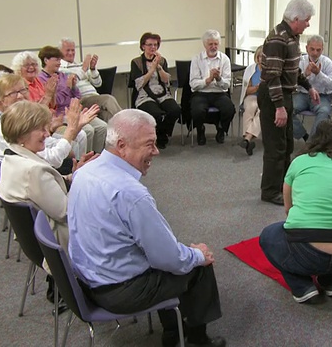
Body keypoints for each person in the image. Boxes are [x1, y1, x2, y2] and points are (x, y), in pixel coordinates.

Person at [68, 109, 225, 347]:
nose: (157, 151)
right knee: (198, 266)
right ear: (121, 145)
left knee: (172, 253)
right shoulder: (131, 194)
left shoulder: (84, 172)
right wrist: (199, 255)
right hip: (118, 292)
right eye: (149, 144)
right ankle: (196, 339)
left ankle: (174, 330)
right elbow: (169, 259)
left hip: (87, 281)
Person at [259, 120, 332, 303]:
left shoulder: (299, 162)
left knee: (268, 236)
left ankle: (302, 287)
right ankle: (331, 282)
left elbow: (289, 209)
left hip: (308, 251)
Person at [0, 100, 95, 251]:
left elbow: (45, 188)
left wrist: (73, 175)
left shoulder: (11, 157)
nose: (47, 134)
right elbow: (66, 211)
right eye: (41, 129)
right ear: (22, 134)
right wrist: (80, 179)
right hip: (59, 241)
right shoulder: (33, 171)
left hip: (35, 240)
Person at [259, 0, 320, 205]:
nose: (308, 24)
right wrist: (279, 107)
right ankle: (269, 191)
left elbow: (291, 71)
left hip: (285, 95)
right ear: (296, 18)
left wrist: (309, 87)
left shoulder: (292, 37)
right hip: (273, 96)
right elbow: (273, 75)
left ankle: (283, 187)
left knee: (286, 146)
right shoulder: (278, 39)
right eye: (307, 20)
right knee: (275, 146)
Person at [0, 74, 96, 168]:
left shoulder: (22, 118)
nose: (20, 96)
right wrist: (71, 129)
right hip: (34, 176)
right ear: (1, 100)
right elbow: (54, 160)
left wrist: (75, 128)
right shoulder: (12, 125)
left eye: (23, 90)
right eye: (13, 93)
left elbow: (49, 143)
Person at [12, 51, 88, 157]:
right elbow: (31, 113)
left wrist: (52, 93)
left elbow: (53, 105)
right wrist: (48, 96)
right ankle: (74, 166)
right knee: (76, 140)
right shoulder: (22, 87)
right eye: (27, 65)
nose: (31, 67)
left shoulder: (37, 81)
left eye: (33, 64)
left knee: (82, 134)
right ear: (19, 68)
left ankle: (81, 163)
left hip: (52, 120)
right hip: (39, 127)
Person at [38, 45, 107, 154]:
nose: (59, 63)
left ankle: (97, 156)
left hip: (73, 111)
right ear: (46, 60)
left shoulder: (62, 75)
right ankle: (83, 160)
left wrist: (74, 87)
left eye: (60, 60)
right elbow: (56, 103)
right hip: (60, 115)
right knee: (88, 131)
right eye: (56, 60)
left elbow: (77, 96)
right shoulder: (41, 79)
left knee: (102, 127)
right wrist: (68, 88)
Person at [129, 33, 181, 149]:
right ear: (143, 46)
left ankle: (161, 133)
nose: (153, 47)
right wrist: (151, 69)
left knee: (175, 110)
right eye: (150, 45)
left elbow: (167, 80)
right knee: (156, 113)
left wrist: (159, 68)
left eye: (155, 45)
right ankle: (159, 135)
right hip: (144, 95)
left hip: (161, 93)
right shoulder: (136, 62)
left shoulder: (162, 61)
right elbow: (139, 84)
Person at [59, 37, 123, 121]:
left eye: (73, 50)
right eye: (68, 50)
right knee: (108, 99)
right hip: (81, 99)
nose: (71, 53)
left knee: (107, 116)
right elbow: (70, 84)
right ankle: (126, 123)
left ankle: (120, 132)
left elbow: (98, 84)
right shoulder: (60, 68)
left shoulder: (80, 65)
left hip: (95, 97)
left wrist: (92, 69)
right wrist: (84, 69)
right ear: (60, 52)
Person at [189, 30, 236, 145]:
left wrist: (219, 78)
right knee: (197, 110)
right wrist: (208, 80)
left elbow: (227, 85)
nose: (213, 47)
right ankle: (200, 130)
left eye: (216, 44)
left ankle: (221, 129)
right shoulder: (197, 59)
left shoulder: (225, 59)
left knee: (229, 109)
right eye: (210, 44)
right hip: (201, 93)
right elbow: (193, 84)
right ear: (205, 45)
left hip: (219, 92)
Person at [292, 34, 332, 141]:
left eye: (318, 50)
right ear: (306, 48)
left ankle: (312, 143)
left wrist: (319, 74)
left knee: (324, 112)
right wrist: (304, 75)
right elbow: (292, 84)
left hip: (321, 96)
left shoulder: (327, 63)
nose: (315, 53)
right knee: (287, 109)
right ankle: (304, 136)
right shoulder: (300, 61)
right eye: (312, 49)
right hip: (303, 94)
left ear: (322, 50)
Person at [238, 46, 263, 156]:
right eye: (259, 56)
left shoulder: (271, 70)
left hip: (267, 98)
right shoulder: (251, 69)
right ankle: (248, 140)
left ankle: (247, 138)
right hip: (252, 95)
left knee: (262, 112)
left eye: (264, 57)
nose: (261, 59)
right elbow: (247, 90)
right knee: (249, 108)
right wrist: (257, 87)